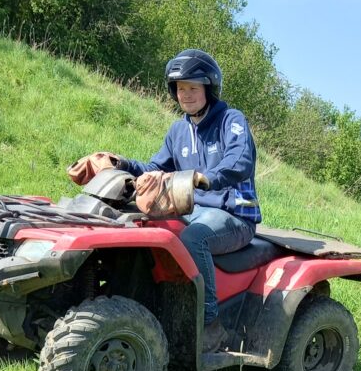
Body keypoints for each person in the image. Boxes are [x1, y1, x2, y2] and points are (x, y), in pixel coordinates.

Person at [70, 49, 261, 353]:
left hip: (234, 214)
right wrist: (118, 162)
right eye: (180, 89)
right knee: (139, 226)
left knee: (194, 238)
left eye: (193, 88)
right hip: (192, 209)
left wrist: (205, 177)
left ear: (208, 89)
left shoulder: (230, 120)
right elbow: (155, 168)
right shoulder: (178, 130)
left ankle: (209, 325)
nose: (186, 95)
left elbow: (240, 161)